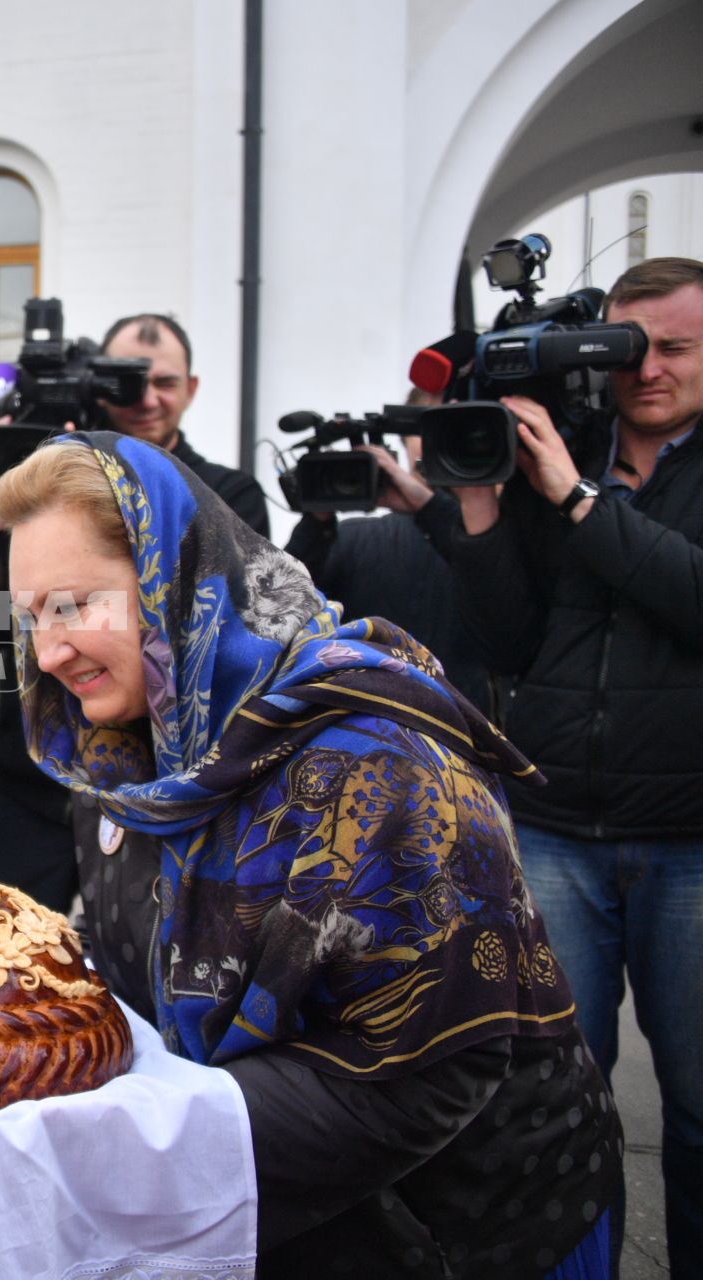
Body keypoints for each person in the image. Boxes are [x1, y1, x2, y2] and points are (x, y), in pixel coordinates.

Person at [0, 432, 620, 1276]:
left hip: (478, 1228)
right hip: (287, 1224)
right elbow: (132, 955)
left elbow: (428, 1074)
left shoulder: (374, 758)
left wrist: (138, 1132)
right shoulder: (123, 757)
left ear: (173, 582)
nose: (46, 652)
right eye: (31, 616)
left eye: (75, 604)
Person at [450, 255, 703, 1268]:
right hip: (556, 827)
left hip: (692, 837)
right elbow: (509, 640)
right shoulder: (568, 447)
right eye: (628, 349)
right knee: (556, 1099)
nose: (646, 371)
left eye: (673, 349)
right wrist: (480, 502)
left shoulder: (579, 474)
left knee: (695, 1110)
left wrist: (581, 501)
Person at [283, 432, 493, 711]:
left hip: (461, 716)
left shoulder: (489, 545)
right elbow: (284, 605)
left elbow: (496, 585)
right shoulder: (351, 538)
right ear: (404, 447)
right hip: (360, 714)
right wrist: (316, 521)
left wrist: (430, 509)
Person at [99, 312, 269, 535]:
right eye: (130, 384)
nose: (148, 401)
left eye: (165, 383)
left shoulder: (230, 496)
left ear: (190, 389)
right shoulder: (60, 481)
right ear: (98, 388)